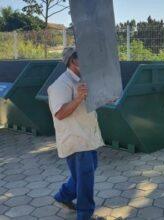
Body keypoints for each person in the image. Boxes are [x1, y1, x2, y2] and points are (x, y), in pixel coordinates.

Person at [48, 47, 104, 220]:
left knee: (86, 171)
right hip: (75, 139)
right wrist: (78, 98)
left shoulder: (82, 80)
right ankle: (85, 215)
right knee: (86, 178)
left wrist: (106, 97)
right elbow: (60, 113)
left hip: (87, 136)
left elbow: (90, 103)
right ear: (73, 61)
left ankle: (63, 196)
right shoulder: (60, 85)